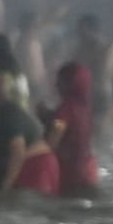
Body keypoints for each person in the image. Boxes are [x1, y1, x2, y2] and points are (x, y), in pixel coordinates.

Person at [0, 71, 57, 194]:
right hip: (19, 165)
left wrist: (6, 185)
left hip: (36, 164)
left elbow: (18, 152)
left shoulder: (8, 112)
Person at [45, 62, 99, 192]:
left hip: (70, 176)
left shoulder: (65, 110)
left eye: (60, 81)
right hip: (88, 174)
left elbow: (53, 138)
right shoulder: (85, 110)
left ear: (70, 84)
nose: (56, 85)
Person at [70, 14, 113, 137]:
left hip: (100, 94)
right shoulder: (79, 48)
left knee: (100, 131)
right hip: (82, 95)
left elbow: (105, 73)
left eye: (82, 30)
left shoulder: (108, 48)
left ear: (93, 29)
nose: (79, 33)